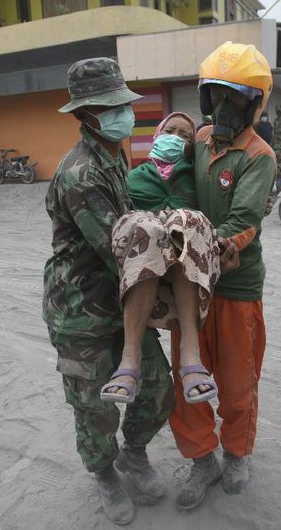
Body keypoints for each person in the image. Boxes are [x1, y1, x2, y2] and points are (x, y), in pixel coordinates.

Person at [42, 57, 174, 526]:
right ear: (86, 115)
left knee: (158, 390)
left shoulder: (114, 154)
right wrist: (179, 265)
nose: (125, 114)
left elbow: (133, 221)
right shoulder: (81, 174)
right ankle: (104, 473)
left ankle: (133, 455)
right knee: (95, 407)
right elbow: (119, 249)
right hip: (81, 307)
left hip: (124, 301)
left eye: (124, 104)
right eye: (112, 107)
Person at [169, 41, 275, 511]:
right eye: (218, 95)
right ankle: (201, 459)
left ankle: (236, 453)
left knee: (237, 380)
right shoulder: (197, 142)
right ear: (207, 99)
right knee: (187, 378)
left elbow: (244, 221)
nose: (226, 106)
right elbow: (178, 192)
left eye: (237, 97)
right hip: (189, 285)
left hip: (234, 286)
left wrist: (218, 246)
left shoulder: (259, 155)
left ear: (254, 103)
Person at [99, 112, 222, 406]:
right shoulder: (133, 176)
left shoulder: (197, 177)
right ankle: (130, 360)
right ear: (156, 135)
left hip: (184, 267)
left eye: (184, 136)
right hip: (144, 266)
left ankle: (190, 353)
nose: (175, 138)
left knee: (188, 219)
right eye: (170, 130)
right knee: (146, 227)